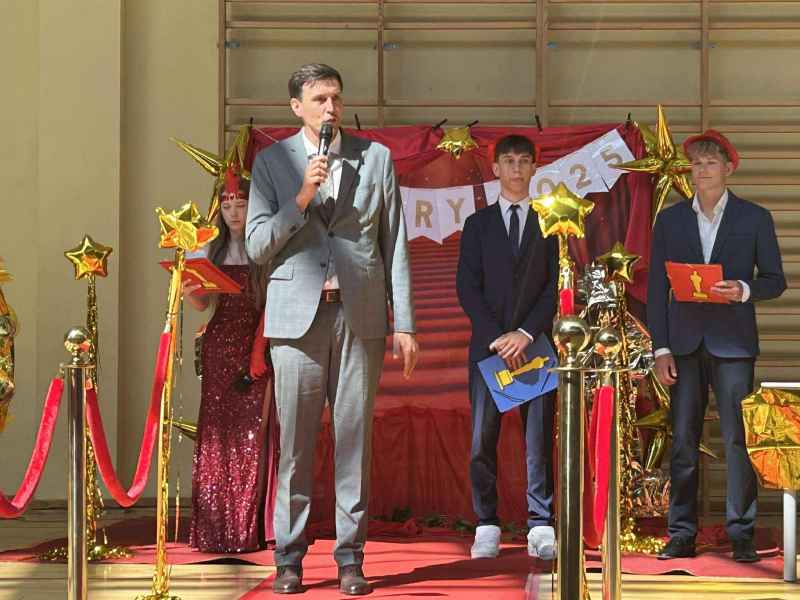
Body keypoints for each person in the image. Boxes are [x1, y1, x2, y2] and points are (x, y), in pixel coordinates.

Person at [245, 63, 418, 595]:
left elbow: (394, 241)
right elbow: (256, 246)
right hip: (296, 319)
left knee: (353, 442)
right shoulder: (271, 163)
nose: (330, 108)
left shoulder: (375, 158)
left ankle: (350, 559)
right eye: (319, 99)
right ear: (296, 106)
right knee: (296, 445)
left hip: (359, 314)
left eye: (336, 98)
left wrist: (405, 322)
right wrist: (301, 197)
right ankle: (289, 559)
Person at [647, 130, 786, 562]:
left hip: (734, 345)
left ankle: (741, 533)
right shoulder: (670, 220)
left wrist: (743, 289)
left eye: (710, 162)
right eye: (696, 163)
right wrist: (660, 349)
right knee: (683, 442)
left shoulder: (755, 218)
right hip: (684, 345)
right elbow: (656, 290)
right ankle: (681, 533)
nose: (702, 169)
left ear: (728, 169)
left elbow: (775, 280)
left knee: (737, 441)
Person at [456, 134, 558, 561]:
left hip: (535, 348)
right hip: (489, 350)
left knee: (538, 439)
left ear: (534, 168)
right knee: (483, 439)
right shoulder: (477, 225)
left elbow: (553, 288)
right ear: (495, 168)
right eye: (508, 161)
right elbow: (467, 287)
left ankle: (541, 524)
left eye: (524, 161)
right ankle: (487, 523)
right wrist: (498, 336)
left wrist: (526, 334)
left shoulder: (550, 222)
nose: (516, 168)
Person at [185, 169, 278, 553]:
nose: (234, 212)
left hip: (257, 345)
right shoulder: (210, 249)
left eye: (241, 204)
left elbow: (273, 302)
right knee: (217, 434)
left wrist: (260, 351)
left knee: (253, 435)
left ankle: (248, 529)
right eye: (227, 205)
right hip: (219, 346)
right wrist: (189, 289)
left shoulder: (266, 247)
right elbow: (202, 304)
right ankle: (214, 530)